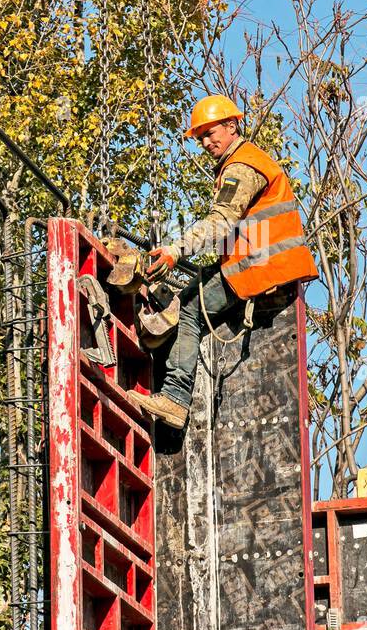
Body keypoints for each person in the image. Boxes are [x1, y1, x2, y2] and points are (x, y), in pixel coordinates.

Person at [125, 94, 319, 429]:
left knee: (189, 309)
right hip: (265, 267)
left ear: (232, 125)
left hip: (261, 269)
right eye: (199, 136)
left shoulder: (242, 167)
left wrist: (175, 251)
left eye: (209, 132)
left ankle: (174, 397)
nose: (205, 141)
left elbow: (220, 221)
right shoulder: (247, 161)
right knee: (191, 293)